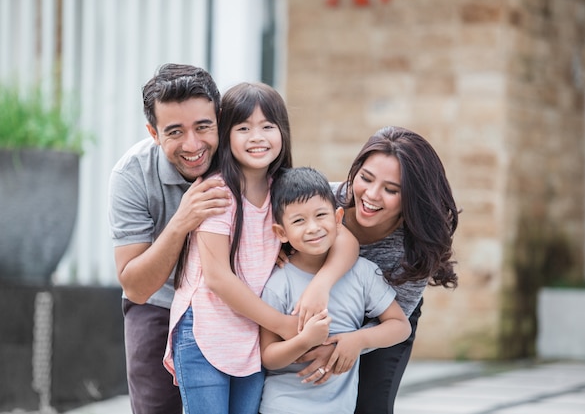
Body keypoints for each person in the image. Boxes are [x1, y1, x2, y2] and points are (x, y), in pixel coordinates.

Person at [163, 83, 357, 414]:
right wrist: (284, 326)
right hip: (205, 330)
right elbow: (218, 279)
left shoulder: (284, 191)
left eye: (268, 126)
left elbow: (345, 238)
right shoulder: (216, 191)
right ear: (226, 135)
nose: (257, 137)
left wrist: (321, 284)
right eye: (244, 128)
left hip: (252, 336)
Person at [295, 126, 459, 414]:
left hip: (384, 318)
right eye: (365, 179)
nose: (371, 195)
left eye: (391, 190)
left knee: (371, 405)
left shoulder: (417, 245)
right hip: (319, 308)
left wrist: (353, 342)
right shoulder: (321, 202)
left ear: (412, 195)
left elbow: (394, 323)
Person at [108, 64, 232, 414]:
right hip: (159, 305)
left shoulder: (243, 155)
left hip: (235, 304)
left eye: (203, 127)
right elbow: (135, 287)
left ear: (219, 119)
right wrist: (182, 221)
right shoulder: (131, 175)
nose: (193, 145)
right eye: (175, 131)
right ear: (153, 132)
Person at [259, 166, 411, 414]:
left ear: (338, 218)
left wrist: (357, 340)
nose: (313, 228)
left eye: (321, 215)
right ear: (281, 233)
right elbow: (269, 356)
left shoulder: (363, 273)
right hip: (283, 405)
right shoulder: (278, 283)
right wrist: (304, 341)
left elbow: (400, 326)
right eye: (299, 220)